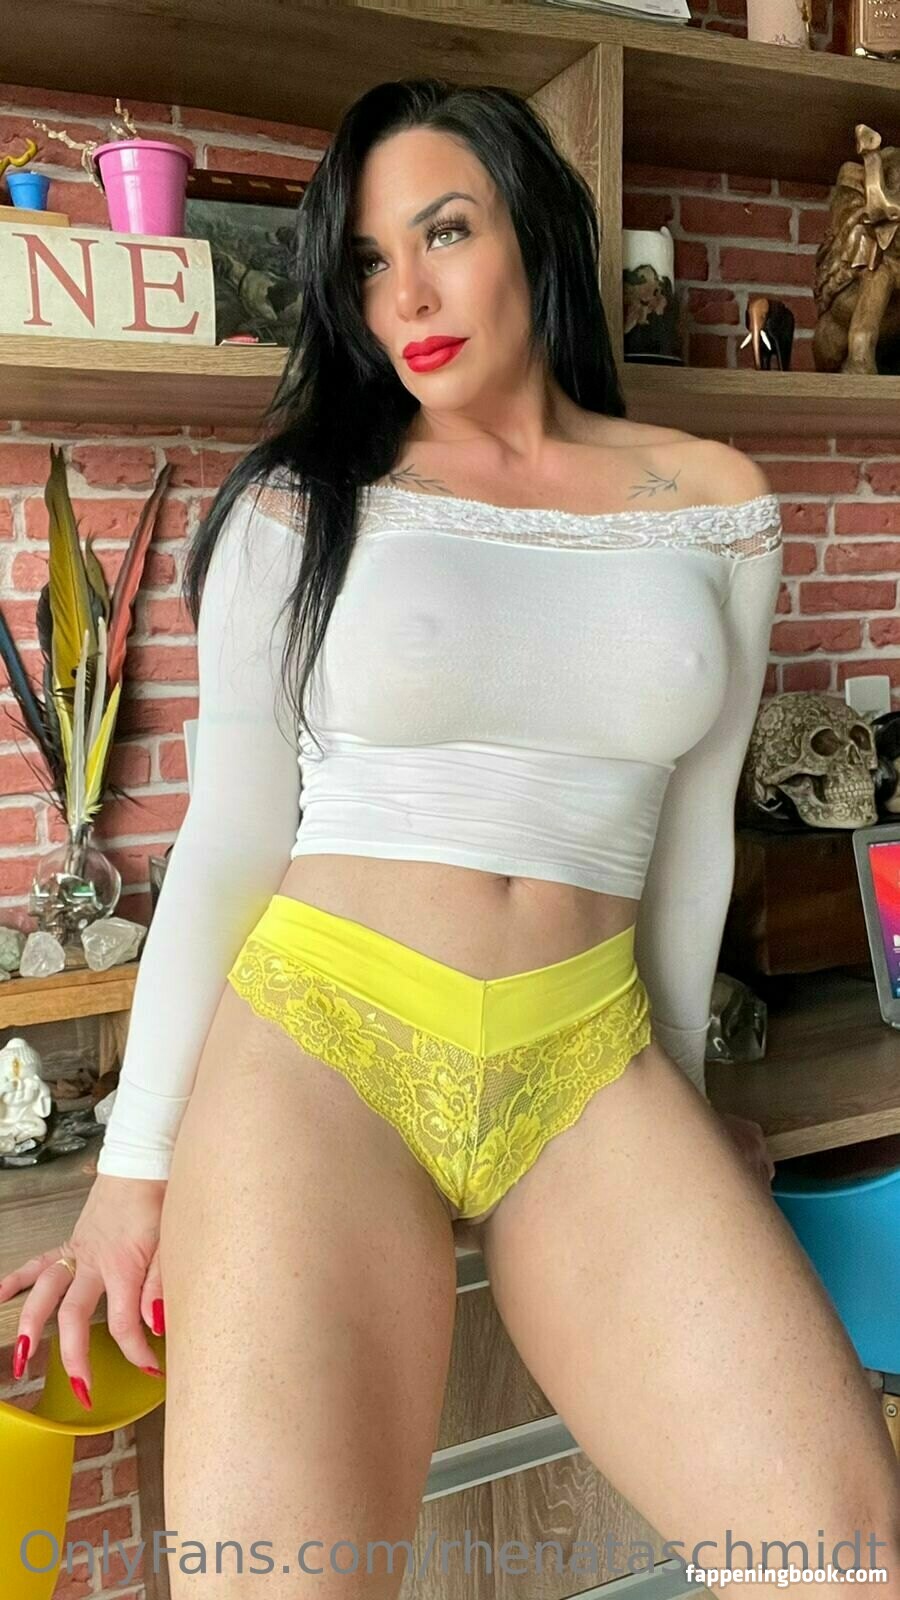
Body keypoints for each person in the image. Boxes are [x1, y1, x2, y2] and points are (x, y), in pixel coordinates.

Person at [2, 75, 898, 1599]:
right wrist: (133, 1174)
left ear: (534, 231)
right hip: (321, 1045)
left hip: (587, 1056)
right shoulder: (303, 501)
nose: (404, 294)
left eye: (446, 231)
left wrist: (682, 1111)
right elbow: (232, 839)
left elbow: (692, 847)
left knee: (849, 1559)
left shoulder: (715, 502)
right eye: (365, 260)